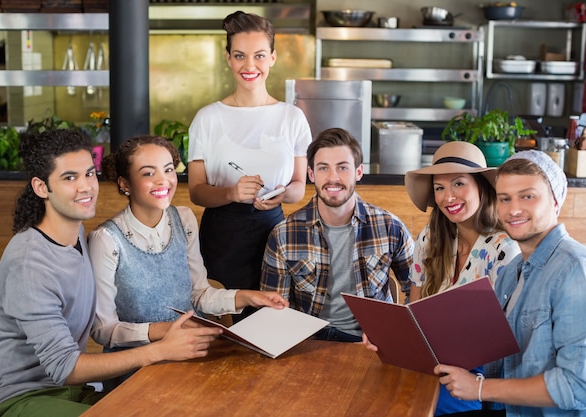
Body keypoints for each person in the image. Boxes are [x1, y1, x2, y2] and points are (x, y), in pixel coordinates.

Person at [0, 130, 223, 417]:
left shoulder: (75, 231)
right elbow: (65, 367)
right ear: (41, 187)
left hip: (71, 393)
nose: (86, 187)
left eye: (89, 174)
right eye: (70, 178)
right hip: (18, 399)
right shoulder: (29, 263)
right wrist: (161, 349)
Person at [87, 136, 288, 372]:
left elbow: (200, 295)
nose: (164, 181)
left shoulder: (184, 219)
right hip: (135, 367)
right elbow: (103, 329)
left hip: (190, 358)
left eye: (169, 169)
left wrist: (249, 297)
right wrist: (163, 330)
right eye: (148, 174)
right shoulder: (106, 240)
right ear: (125, 184)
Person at [436, 150, 586, 416]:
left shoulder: (576, 269)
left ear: (555, 201)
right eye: (505, 199)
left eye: (527, 196)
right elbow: (491, 348)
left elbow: (579, 385)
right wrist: (398, 339)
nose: (514, 209)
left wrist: (480, 389)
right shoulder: (513, 271)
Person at [187, 11, 312, 321]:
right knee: (219, 330)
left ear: (272, 58)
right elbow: (197, 192)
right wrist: (231, 193)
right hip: (221, 238)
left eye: (258, 56)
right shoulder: (207, 118)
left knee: (269, 324)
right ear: (228, 58)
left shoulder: (292, 117)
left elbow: (299, 186)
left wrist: (280, 196)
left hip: (274, 235)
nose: (249, 65)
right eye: (240, 56)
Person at [260, 128, 414, 342]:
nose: (333, 178)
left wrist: (394, 330)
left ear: (358, 172)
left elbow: (418, 293)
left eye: (342, 167)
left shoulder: (390, 227)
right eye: (323, 168)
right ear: (311, 174)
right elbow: (275, 308)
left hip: (371, 342)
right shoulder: (284, 234)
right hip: (307, 341)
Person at [402, 141, 520, 416]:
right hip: (430, 361)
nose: (448, 197)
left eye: (458, 184)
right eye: (439, 188)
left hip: (482, 374)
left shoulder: (504, 248)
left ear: (481, 185)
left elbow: (510, 338)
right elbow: (413, 312)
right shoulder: (430, 239)